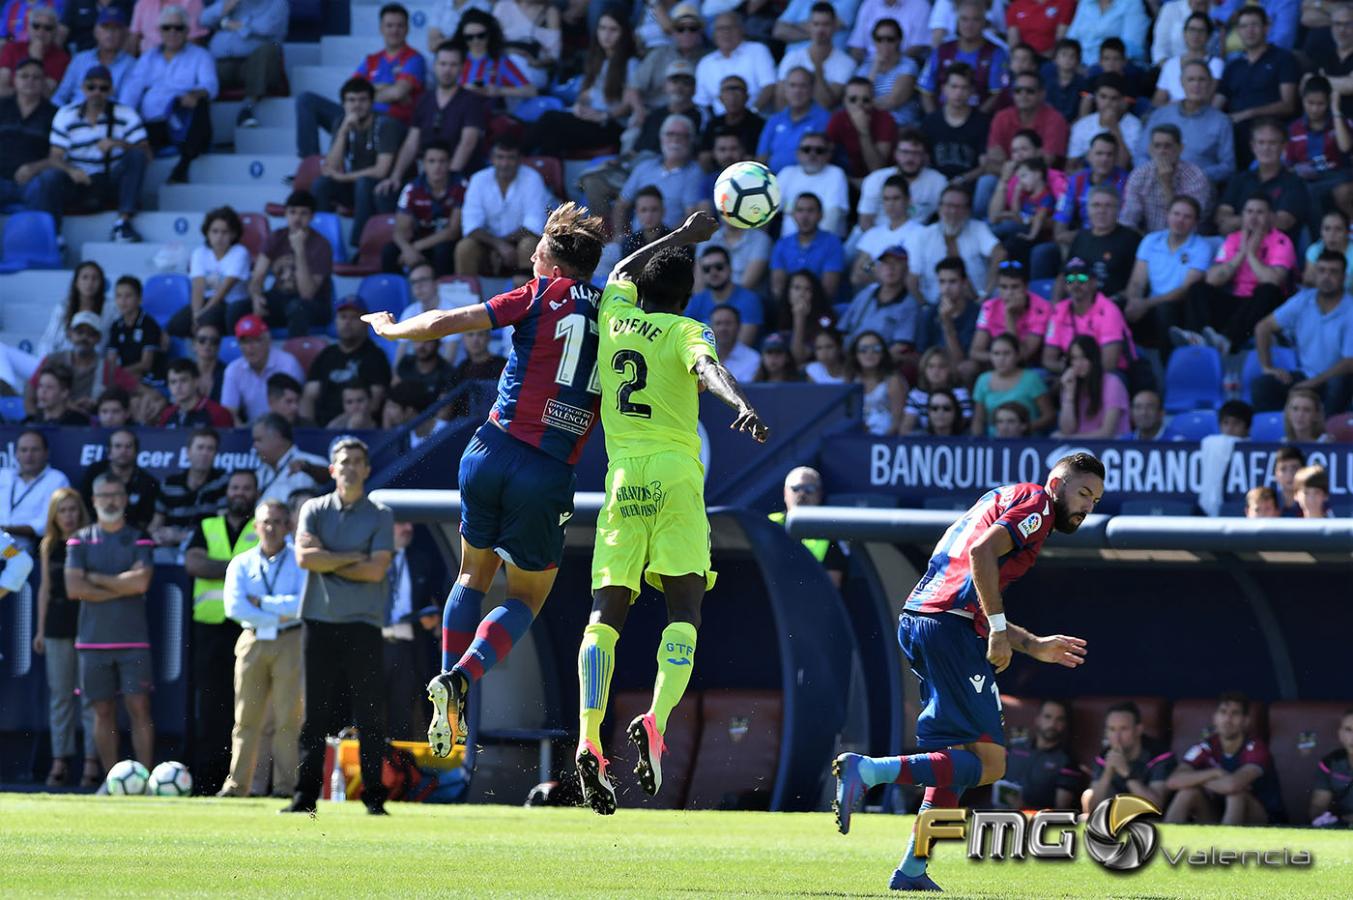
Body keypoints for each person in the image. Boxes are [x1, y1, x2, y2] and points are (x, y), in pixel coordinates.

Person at [361, 203, 609, 758]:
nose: (531, 253)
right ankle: (462, 677)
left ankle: (447, 693)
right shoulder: (615, 307)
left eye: (539, 246)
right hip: (546, 469)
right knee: (525, 596)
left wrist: (394, 328)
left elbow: (450, 321)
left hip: (490, 449)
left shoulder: (537, 295)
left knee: (472, 577)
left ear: (552, 259)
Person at [569, 210, 768, 814]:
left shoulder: (614, 313)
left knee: (606, 610)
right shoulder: (687, 331)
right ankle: (655, 722)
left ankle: (587, 738)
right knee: (684, 607)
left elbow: (624, 266)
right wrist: (741, 403)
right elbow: (709, 371)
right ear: (685, 297)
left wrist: (681, 236)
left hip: (623, 475)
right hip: (678, 476)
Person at [834, 453, 1103, 891]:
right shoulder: (1037, 504)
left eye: (1095, 499)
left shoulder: (1000, 497)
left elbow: (972, 587)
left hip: (926, 621)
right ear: (1057, 482)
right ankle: (867, 772)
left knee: (954, 761)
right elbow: (981, 556)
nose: (1088, 506)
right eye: (1084, 493)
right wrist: (998, 631)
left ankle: (912, 871)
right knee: (992, 764)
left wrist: (1032, 644)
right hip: (950, 630)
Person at [285, 437, 394, 815]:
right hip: (319, 622)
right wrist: (353, 558)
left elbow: (376, 568)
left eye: (357, 461)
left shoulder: (380, 514)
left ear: (366, 469)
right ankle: (304, 798)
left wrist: (328, 558)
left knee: (370, 717)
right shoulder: (313, 509)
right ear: (332, 469)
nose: (349, 467)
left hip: (363, 625)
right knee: (313, 716)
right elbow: (304, 559)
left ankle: (375, 799)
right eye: (343, 461)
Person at [65, 473, 156, 777]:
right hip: (92, 642)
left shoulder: (139, 536)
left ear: (125, 498)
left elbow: (141, 582)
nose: (110, 500)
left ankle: (144, 781)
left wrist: (97, 578)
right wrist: (121, 584)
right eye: (103, 495)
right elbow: (74, 588)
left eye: (115, 494)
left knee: (139, 708)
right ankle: (113, 780)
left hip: (133, 640)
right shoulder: (79, 539)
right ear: (93, 501)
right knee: (102, 712)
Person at [218, 497, 302, 798]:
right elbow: (235, 607)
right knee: (246, 718)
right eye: (266, 522)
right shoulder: (241, 562)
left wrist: (263, 603)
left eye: (278, 522)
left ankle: (284, 787)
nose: (271, 528)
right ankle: (237, 785)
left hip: (290, 640)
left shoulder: (299, 559)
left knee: (287, 718)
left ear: (288, 526)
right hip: (252, 639)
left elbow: (302, 604)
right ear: (256, 526)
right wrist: (276, 610)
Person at [182, 468, 259, 796]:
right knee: (210, 708)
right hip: (210, 631)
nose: (239, 493)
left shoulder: (263, 526)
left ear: (255, 493)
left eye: (246, 488)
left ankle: (242, 779)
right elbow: (194, 563)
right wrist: (238, 569)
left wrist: (220, 567)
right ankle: (206, 781)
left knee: (245, 708)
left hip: (249, 629)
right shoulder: (207, 525)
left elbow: (265, 570)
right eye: (235, 487)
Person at [293, 3, 424, 158]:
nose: (394, 30)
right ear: (381, 28)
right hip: (358, 114)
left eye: (399, 26)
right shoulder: (371, 60)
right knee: (306, 100)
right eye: (389, 25)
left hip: (389, 122)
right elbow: (349, 92)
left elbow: (397, 93)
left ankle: (333, 171)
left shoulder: (414, 58)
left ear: (407, 28)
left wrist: (368, 91)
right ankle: (310, 165)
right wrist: (384, 88)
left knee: (346, 117)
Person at [1173, 194, 1294, 356]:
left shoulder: (1281, 240)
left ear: (1271, 217)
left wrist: (1251, 253)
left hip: (1264, 307)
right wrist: (1241, 253)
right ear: (1242, 215)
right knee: (1198, 288)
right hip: (1237, 302)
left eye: (1260, 212)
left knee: (1267, 291)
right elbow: (1213, 279)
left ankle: (1227, 341)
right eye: (1249, 211)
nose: (1253, 217)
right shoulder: (1233, 239)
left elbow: (1274, 281)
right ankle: (1198, 336)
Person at [34, 487, 96, 788]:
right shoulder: (48, 546)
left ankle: (91, 762)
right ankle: (60, 760)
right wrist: (40, 630)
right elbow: (45, 589)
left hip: (88, 626)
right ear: (54, 516)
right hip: (58, 627)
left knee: (89, 699)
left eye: (73, 509)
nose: (69, 516)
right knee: (60, 697)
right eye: (63, 511)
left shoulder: (90, 540)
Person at [519, 10, 641, 158]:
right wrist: (580, 107)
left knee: (550, 119)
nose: (606, 35)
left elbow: (628, 106)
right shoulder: (597, 59)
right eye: (602, 28)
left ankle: (518, 156)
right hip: (589, 119)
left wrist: (603, 115)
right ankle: (543, 172)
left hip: (610, 124)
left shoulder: (631, 64)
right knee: (551, 136)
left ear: (624, 33)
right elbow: (585, 94)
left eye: (613, 30)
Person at [47, 63, 148, 241]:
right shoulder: (65, 114)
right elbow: (54, 157)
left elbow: (147, 154)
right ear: (82, 88)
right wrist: (71, 171)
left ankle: (123, 224)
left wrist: (119, 144)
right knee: (51, 176)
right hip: (80, 182)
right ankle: (55, 235)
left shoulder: (126, 114)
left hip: (111, 180)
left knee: (136, 156)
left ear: (111, 91)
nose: (96, 92)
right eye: (91, 87)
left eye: (103, 88)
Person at [118, 4, 217, 184]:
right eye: (167, 27)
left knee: (201, 104)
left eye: (178, 28)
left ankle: (183, 165)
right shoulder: (147, 58)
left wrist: (195, 94)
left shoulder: (200, 55)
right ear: (159, 31)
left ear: (187, 31)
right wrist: (124, 118)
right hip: (153, 123)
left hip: (183, 120)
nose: (172, 32)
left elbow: (210, 86)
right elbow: (131, 92)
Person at [1250, 251, 1353, 415]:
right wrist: (1267, 367)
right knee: (1262, 385)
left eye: (1333, 272)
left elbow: (1349, 362)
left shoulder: (1350, 310)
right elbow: (1263, 327)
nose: (1326, 276)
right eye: (1322, 271)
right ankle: (1274, 433)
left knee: (1338, 383)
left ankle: (1324, 436)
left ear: (1344, 277)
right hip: (1306, 375)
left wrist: (1313, 383)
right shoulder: (1303, 300)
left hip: (1339, 379)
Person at [378, 41, 482, 198]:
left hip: (459, 177)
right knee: (385, 193)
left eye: (453, 65)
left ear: (462, 68)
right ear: (434, 66)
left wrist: (449, 180)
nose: (447, 70)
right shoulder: (424, 100)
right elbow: (411, 143)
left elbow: (467, 143)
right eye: (443, 64)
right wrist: (395, 176)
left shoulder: (471, 100)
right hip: (426, 175)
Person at [1165, 692, 1284, 825]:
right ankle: (1165, 842)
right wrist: (1214, 773)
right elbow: (1173, 781)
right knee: (1187, 792)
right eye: (1223, 712)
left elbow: (1232, 785)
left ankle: (1225, 845)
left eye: (1235, 713)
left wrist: (1195, 779)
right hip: (1218, 815)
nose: (1228, 719)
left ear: (1246, 721)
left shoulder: (1256, 747)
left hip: (1263, 821)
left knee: (1236, 795)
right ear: (1215, 718)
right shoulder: (1205, 746)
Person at [311, 78, 400, 253]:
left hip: (386, 188)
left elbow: (381, 171)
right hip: (359, 186)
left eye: (362, 100)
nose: (356, 105)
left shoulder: (385, 124)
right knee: (321, 184)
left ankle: (360, 247)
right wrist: (343, 131)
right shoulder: (341, 122)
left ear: (372, 102)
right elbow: (330, 168)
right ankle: (323, 245)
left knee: (364, 183)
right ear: (343, 104)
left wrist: (344, 177)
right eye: (351, 100)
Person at [235, 190, 335, 337]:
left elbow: (307, 294)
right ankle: (239, 353)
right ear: (285, 214)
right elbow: (257, 277)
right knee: (238, 308)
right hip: (281, 298)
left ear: (312, 216)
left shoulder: (321, 245)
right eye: (292, 212)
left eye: (303, 213)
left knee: (297, 307)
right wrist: (256, 296)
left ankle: (295, 353)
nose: (297, 218)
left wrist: (299, 251)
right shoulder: (276, 237)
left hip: (314, 304)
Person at [1123, 195, 1210, 351]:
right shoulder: (1151, 240)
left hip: (1178, 307)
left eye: (1187, 217)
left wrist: (1146, 304)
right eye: (1176, 214)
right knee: (1117, 306)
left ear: (1195, 223)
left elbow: (1185, 290)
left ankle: (1169, 369)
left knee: (1165, 310)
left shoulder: (1201, 247)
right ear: (1167, 215)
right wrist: (1133, 302)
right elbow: (1137, 281)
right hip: (1149, 305)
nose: (1180, 220)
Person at [1216, 6, 1299, 167]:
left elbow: (1288, 105)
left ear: (1266, 28)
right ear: (1238, 31)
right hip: (1235, 133)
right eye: (1244, 26)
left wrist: (1248, 113)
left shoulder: (1283, 59)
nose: (1249, 31)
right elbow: (1217, 103)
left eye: (1254, 25)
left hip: (1269, 133)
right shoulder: (1233, 66)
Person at [454, 137, 548, 277]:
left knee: (528, 244)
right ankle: (466, 297)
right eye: (500, 157)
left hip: (519, 243)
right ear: (492, 159)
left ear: (520, 160)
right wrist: (498, 246)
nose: (505, 163)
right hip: (487, 243)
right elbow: (471, 226)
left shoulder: (532, 178)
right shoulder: (478, 179)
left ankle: (529, 295)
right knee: (464, 248)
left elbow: (534, 226)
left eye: (511, 158)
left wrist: (502, 246)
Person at [381, 520, 439, 742]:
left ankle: (399, 773)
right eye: (400, 523)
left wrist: (430, 618)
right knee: (368, 712)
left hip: (408, 645)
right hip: (373, 644)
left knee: (403, 712)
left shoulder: (422, 560)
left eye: (410, 523)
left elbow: (434, 601)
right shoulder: (369, 558)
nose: (408, 528)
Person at [1139, 60, 1235, 185]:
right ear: (1181, 83)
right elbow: (1141, 154)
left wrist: (1194, 176)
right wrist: (1154, 174)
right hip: (1157, 184)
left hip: (1199, 189)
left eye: (1202, 80)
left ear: (1211, 84)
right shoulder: (1161, 115)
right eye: (1191, 79)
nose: (1196, 85)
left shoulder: (1221, 122)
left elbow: (1228, 166)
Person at [301, 297, 393, 427]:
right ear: (336, 322)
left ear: (366, 324)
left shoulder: (375, 357)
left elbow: (374, 403)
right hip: (322, 429)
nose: (347, 323)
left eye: (354, 318)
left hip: (360, 428)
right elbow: (309, 396)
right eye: (343, 317)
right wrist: (308, 428)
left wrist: (338, 424)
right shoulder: (326, 355)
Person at [1214, 120, 1309, 243]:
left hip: (1276, 251)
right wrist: (1261, 219)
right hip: (1236, 248)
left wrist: (1237, 221)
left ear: (1284, 146)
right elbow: (1222, 218)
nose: (1266, 148)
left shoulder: (1294, 182)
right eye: (1261, 142)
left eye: (1272, 143)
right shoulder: (1239, 179)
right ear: (1253, 146)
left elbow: (1283, 222)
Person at [907, 185, 1002, 305]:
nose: (953, 211)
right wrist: (924, 306)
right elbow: (912, 278)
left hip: (975, 304)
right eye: (948, 206)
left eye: (958, 207)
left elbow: (1000, 253)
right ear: (939, 208)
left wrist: (986, 292)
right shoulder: (922, 235)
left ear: (968, 211)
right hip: (935, 305)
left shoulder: (978, 228)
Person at [200, 0, 287, 129]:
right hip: (224, 63)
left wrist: (225, 24)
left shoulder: (278, 3)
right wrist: (224, 8)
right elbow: (203, 19)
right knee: (198, 62)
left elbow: (265, 28)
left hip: (255, 65)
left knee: (268, 50)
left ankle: (247, 109)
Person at [1042, 257, 1135, 376]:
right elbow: (1048, 360)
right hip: (1072, 372)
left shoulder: (1109, 310)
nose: (1076, 283)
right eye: (1070, 279)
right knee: (1040, 379)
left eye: (1082, 278)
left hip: (1110, 374)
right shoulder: (1059, 311)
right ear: (1065, 285)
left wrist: (1075, 371)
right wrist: (1073, 371)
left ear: (1093, 283)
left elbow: (1109, 364)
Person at [1081, 700, 1175, 814]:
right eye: (1112, 729)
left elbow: (1155, 807)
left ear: (1138, 730)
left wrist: (1127, 773)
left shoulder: (1159, 755)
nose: (1117, 737)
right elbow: (1092, 809)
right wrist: (1107, 773)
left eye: (1124, 729)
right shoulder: (1103, 757)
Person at [383, 140, 461, 276]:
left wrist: (415, 247)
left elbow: (452, 231)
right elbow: (399, 231)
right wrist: (407, 249)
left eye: (442, 161)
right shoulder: (412, 189)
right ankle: (398, 292)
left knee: (443, 251)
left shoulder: (461, 187)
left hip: (445, 242)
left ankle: (443, 294)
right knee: (390, 252)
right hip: (419, 240)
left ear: (449, 163)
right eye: (431, 161)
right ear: (423, 164)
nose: (437, 166)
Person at [917, 0, 1008, 115]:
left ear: (984, 23)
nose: (969, 25)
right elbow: (926, 91)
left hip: (979, 121)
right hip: (943, 117)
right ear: (957, 21)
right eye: (964, 19)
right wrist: (935, 120)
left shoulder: (996, 53)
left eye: (975, 19)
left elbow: (997, 94)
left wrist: (973, 122)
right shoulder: (942, 50)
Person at [1118, 125, 1210, 236]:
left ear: (1180, 148)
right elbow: (1129, 218)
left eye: (1167, 146)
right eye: (1157, 146)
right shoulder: (1139, 175)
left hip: (1186, 239)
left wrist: (1166, 183)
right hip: (1148, 239)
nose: (1162, 151)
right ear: (1150, 149)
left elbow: (1186, 220)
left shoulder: (1195, 176)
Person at [769, 466, 847, 588]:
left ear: (819, 493)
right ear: (785, 493)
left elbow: (831, 587)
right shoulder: (768, 524)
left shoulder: (830, 532)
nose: (802, 494)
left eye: (809, 489)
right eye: (796, 488)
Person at [150, 426, 229, 547]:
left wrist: (183, 536)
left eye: (210, 449)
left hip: (207, 547)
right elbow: (155, 524)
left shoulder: (223, 482)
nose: (204, 453)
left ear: (215, 454)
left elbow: (224, 526)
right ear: (188, 452)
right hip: (169, 548)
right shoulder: (170, 484)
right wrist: (156, 535)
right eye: (200, 447)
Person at [0, 58, 60, 217]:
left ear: (43, 82)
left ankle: (43, 237)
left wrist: (35, 168)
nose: (30, 81)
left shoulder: (56, 114)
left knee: (48, 180)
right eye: (24, 76)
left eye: (36, 77)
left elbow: (60, 156)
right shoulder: (2, 107)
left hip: (33, 181)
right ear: (15, 80)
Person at [219, 314, 304, 424]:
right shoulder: (233, 370)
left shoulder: (288, 364)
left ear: (268, 341)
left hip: (286, 428)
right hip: (252, 431)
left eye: (255, 340)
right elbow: (229, 414)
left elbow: (296, 407)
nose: (249, 348)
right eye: (244, 342)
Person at [998, 699, 1081, 810]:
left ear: (1065, 724)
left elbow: (1061, 812)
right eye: (1048, 717)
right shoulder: (1014, 747)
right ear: (1038, 719)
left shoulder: (1068, 762)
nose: (1052, 724)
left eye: (1059, 719)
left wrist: (1024, 809)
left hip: (1035, 824)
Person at [969, 260, 1051, 370]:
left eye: (1015, 287)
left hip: (1030, 366)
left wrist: (1009, 316)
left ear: (1026, 287)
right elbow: (975, 351)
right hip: (996, 363)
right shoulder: (988, 307)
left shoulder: (1042, 308)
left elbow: (1022, 356)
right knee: (968, 368)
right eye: (1003, 287)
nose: (1009, 293)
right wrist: (999, 358)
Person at [857, 130, 947, 230]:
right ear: (896, 154)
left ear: (925, 156)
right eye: (905, 152)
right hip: (875, 236)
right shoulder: (876, 179)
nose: (910, 158)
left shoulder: (938, 182)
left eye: (916, 153)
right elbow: (865, 222)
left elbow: (947, 217)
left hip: (916, 240)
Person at [1065, 186, 1140, 303]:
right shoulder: (1081, 237)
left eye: (1108, 206)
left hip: (1113, 306)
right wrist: (1056, 302)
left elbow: (1137, 284)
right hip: (1079, 303)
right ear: (1088, 209)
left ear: (1119, 210)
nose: (1102, 211)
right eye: (1096, 205)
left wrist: (1107, 305)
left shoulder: (1132, 240)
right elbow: (1065, 274)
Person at [776, 3, 854, 112]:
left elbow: (826, 104)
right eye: (816, 24)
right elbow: (780, 100)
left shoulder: (847, 63)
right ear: (808, 26)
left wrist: (818, 67)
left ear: (835, 26)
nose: (820, 30)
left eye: (825, 24)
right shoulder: (791, 57)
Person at [920, 64, 989, 189]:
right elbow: (923, 160)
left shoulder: (982, 123)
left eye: (964, 88)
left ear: (972, 91)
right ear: (944, 88)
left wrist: (962, 180)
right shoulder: (930, 122)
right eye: (954, 87)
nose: (958, 93)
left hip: (969, 185)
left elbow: (985, 165)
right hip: (935, 185)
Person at [970, 334, 1053, 436]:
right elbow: (978, 419)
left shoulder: (1032, 379)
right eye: (996, 353)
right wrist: (976, 442)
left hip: (1027, 442)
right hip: (994, 443)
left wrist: (1024, 428)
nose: (1001, 358)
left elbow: (1049, 416)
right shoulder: (983, 380)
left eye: (1006, 353)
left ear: (1017, 356)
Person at [693, 12, 776, 114]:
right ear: (714, 34)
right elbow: (702, 102)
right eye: (720, 29)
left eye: (730, 27)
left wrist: (751, 114)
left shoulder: (757, 50)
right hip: (721, 123)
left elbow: (769, 86)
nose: (726, 32)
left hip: (756, 118)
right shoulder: (705, 63)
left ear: (742, 30)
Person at [770, 192, 844, 305]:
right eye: (800, 210)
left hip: (821, 309)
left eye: (810, 211)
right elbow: (777, 286)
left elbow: (829, 289)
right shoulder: (782, 244)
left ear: (821, 215)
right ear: (793, 215)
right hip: (788, 308)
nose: (805, 216)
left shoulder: (832, 243)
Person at [79, 429, 160, 531]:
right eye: (118, 446)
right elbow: (82, 506)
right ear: (109, 451)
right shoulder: (94, 472)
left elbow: (145, 520)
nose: (123, 451)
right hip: (95, 532)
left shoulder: (148, 482)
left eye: (128, 446)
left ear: (136, 452)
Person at [756, 66, 830, 175]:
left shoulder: (824, 119)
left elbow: (822, 156)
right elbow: (761, 157)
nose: (797, 91)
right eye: (792, 85)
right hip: (773, 180)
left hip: (809, 179)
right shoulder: (774, 119)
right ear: (785, 89)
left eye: (803, 86)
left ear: (812, 89)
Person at [826, 76, 897, 185]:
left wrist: (864, 132)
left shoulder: (885, 119)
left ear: (873, 101)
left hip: (880, 183)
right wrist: (850, 181)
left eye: (866, 100)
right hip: (847, 181)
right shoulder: (838, 119)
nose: (859, 105)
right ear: (844, 101)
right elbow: (825, 156)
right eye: (853, 99)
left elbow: (877, 169)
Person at [685, 245, 762, 344]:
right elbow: (687, 338)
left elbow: (743, 344)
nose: (713, 272)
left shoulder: (750, 300)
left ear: (730, 268)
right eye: (707, 269)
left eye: (719, 267)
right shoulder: (697, 301)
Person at [1055, 335, 1129, 438]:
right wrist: (1069, 395)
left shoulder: (1112, 383)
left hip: (1110, 449)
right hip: (1080, 449)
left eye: (1084, 358)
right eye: (1074, 358)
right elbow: (1067, 430)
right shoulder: (1070, 383)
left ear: (1093, 359)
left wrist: (1069, 439)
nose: (1078, 364)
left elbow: (1107, 433)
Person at [854, 16, 918, 127]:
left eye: (890, 39)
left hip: (899, 125)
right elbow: (859, 95)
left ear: (899, 40)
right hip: (870, 124)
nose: (885, 43)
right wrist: (875, 67)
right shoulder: (866, 67)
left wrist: (864, 104)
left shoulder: (908, 65)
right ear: (874, 42)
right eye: (879, 39)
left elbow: (893, 101)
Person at [251, 412, 327, 503]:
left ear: (277, 436)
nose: (254, 446)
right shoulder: (261, 472)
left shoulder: (314, 463)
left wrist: (307, 468)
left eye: (258, 440)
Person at [0, 4, 69, 99]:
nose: (41, 31)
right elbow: (2, 88)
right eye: (36, 26)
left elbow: (46, 94)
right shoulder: (11, 48)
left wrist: (37, 60)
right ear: (28, 28)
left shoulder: (62, 58)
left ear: (55, 32)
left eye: (48, 28)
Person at [900, 347, 972, 434]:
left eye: (941, 366)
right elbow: (906, 427)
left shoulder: (960, 393)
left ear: (950, 369)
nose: (935, 371)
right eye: (931, 366)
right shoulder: (916, 395)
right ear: (924, 369)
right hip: (926, 440)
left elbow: (965, 421)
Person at [848, 329, 907, 436]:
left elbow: (897, 423)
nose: (869, 353)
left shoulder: (893, 381)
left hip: (885, 442)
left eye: (876, 349)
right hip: (855, 440)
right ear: (855, 354)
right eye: (863, 349)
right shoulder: (850, 380)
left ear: (883, 353)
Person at [106, 276, 162, 382]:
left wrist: (119, 373)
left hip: (148, 377)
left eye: (128, 296)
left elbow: (146, 364)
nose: (123, 301)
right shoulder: (116, 325)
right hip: (125, 376)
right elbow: (111, 359)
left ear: (140, 299)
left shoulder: (149, 325)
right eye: (118, 296)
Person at [1309, 709, 1353, 828]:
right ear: (1340, 734)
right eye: (1348, 730)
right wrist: (1328, 820)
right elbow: (1318, 807)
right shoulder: (1330, 762)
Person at [160, 359, 233, 427]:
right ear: (168, 386)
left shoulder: (218, 414)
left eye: (183, 380)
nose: (178, 386)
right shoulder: (167, 414)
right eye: (173, 382)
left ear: (196, 382)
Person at [24, 363, 92, 426]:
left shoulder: (78, 423)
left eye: (49, 387)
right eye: (40, 386)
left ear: (64, 392)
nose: (43, 391)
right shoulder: (31, 422)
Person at [708, 305, 760, 384]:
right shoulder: (703, 355)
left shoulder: (753, 358)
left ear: (738, 326)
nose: (723, 328)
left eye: (728, 323)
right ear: (710, 327)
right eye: (718, 323)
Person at [1272, 445, 1307, 516]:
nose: (1289, 474)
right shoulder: (1267, 505)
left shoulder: (1314, 505)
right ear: (1275, 474)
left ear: (1304, 471)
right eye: (1283, 469)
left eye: (1294, 468)